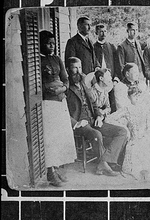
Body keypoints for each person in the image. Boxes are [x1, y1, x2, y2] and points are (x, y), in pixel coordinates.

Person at [65, 57, 128, 176]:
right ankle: (105, 164)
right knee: (97, 134)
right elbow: (64, 112)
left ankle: (104, 162)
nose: (78, 71)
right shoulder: (66, 88)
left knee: (122, 131)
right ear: (68, 70)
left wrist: (99, 116)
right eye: (75, 68)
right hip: (80, 123)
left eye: (80, 67)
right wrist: (76, 123)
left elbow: (93, 104)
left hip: (93, 120)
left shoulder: (84, 85)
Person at [39, 30, 77, 187]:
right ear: (41, 44)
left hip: (60, 101)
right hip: (48, 104)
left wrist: (62, 89)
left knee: (60, 137)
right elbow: (38, 84)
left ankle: (56, 168)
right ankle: (50, 171)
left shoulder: (56, 59)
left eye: (53, 43)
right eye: (49, 43)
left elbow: (66, 79)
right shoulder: (37, 61)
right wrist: (51, 90)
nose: (52, 46)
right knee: (50, 138)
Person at [93, 24, 118, 112]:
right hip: (99, 80)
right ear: (96, 33)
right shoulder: (93, 47)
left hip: (110, 79)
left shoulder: (111, 47)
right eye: (101, 32)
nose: (103, 34)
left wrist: (115, 78)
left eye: (105, 31)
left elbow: (117, 63)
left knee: (112, 102)